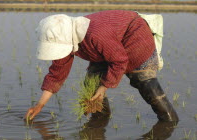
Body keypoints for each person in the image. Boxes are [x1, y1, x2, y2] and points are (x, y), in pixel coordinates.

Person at [25, 10, 179, 122]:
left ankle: (169, 120)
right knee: (92, 81)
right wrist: (40, 104)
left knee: (144, 80)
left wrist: (104, 87)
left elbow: (119, 60)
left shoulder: (95, 34)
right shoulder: (66, 38)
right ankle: (100, 119)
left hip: (135, 36)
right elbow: (57, 73)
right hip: (108, 46)